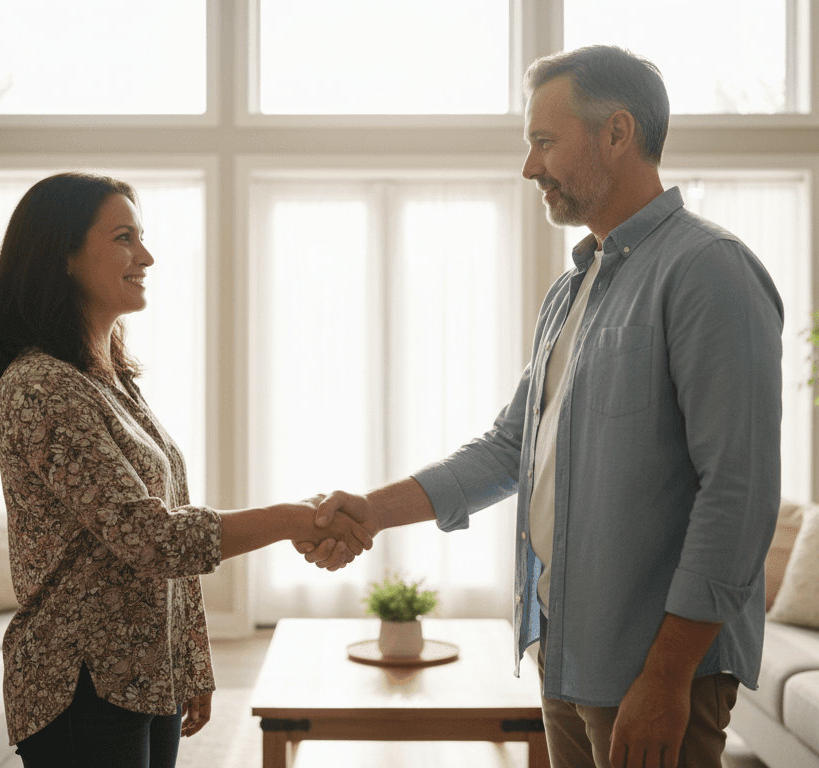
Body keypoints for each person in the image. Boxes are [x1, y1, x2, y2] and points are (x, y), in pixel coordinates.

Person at [306, 46, 783, 768]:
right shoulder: (572, 290)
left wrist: (666, 675)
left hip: (651, 666)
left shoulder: (707, 270)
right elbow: (510, 449)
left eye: (543, 141)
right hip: (566, 649)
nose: (530, 167)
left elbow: (740, 493)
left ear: (616, 134)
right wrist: (371, 511)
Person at [0, 171, 372, 768]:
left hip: (144, 677)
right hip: (79, 682)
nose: (146, 256)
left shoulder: (111, 381)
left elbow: (172, 520)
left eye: (142, 237)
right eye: (123, 238)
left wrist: (191, 660)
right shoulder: (40, 387)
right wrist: (294, 518)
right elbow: (152, 538)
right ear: (61, 255)